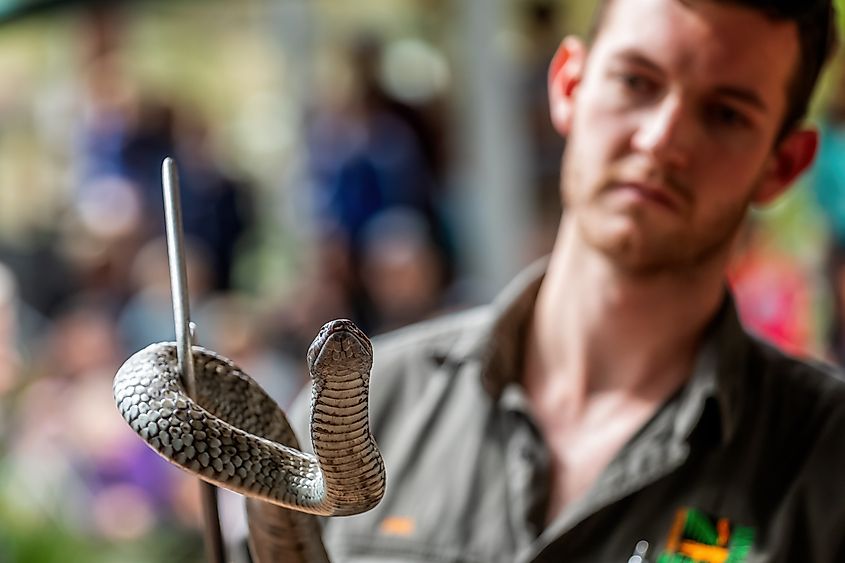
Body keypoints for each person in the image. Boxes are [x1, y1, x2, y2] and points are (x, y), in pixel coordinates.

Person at [290, 0, 845, 561]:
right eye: (636, 81)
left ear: (784, 165)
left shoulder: (825, 466)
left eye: (725, 114)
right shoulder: (365, 410)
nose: (660, 140)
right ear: (568, 85)